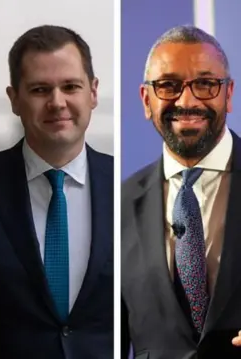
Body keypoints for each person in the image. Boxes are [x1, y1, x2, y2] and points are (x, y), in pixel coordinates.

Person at [0, 25, 114, 358]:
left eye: (70, 86)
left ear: (93, 92)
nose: (57, 102)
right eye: (40, 90)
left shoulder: (127, 186)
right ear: (14, 99)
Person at [121, 25, 241, 358]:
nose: (187, 101)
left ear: (228, 95)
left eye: (205, 84)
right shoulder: (117, 207)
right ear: (147, 100)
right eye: (168, 86)